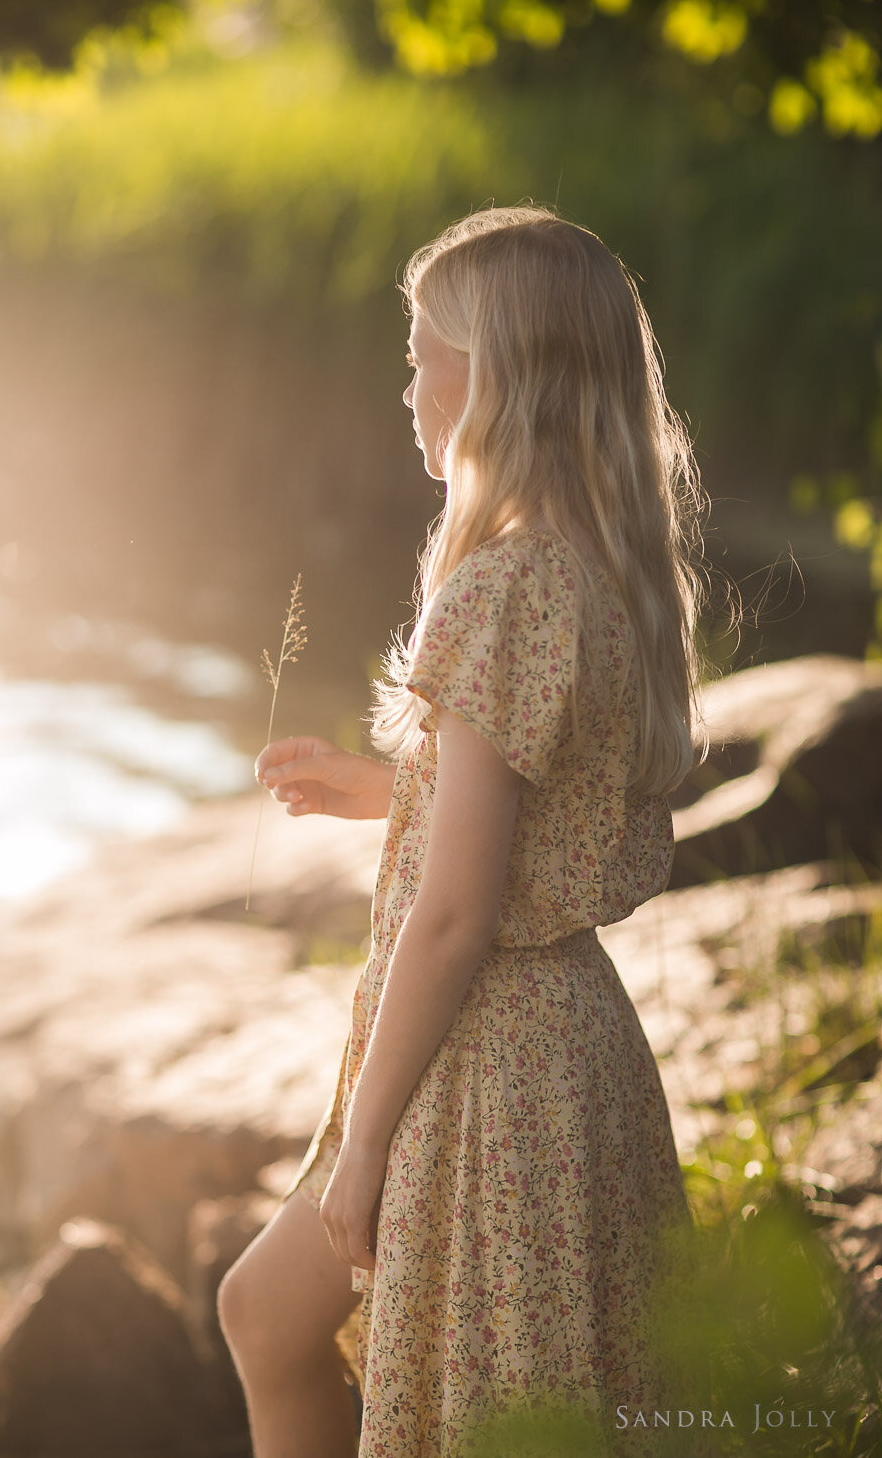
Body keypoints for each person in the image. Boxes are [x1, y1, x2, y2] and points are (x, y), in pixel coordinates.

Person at [217, 204, 709, 1457]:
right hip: (565, 1049)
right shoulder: (589, 565)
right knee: (271, 1317)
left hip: (486, 1064)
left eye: (424, 352)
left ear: (498, 379)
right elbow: (536, 797)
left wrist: (364, 1141)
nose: (406, 385)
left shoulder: (498, 588)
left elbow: (454, 914)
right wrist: (386, 785)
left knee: (486, 1412)